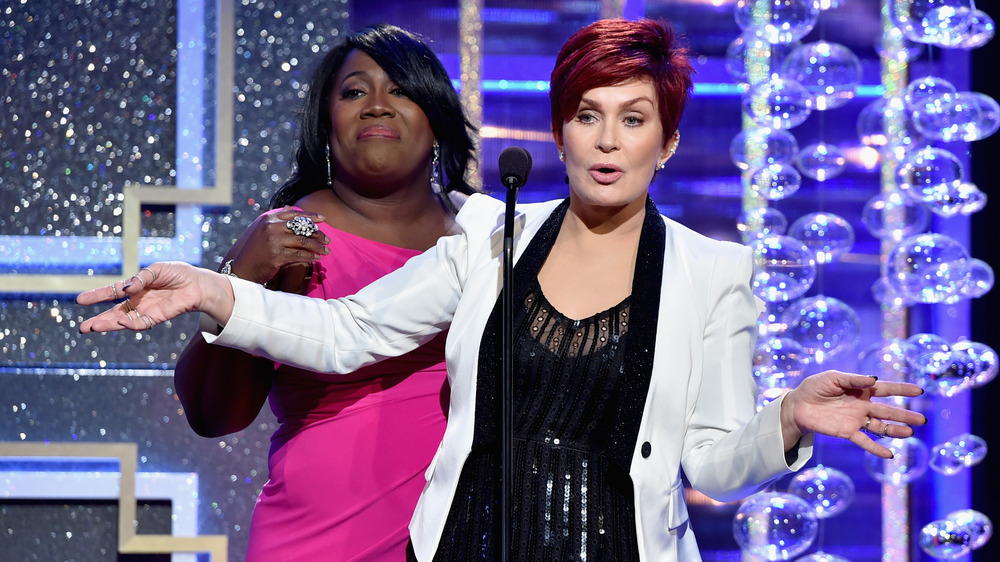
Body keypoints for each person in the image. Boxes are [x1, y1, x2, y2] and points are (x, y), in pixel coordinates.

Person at [78, 18, 926, 561]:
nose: (606, 140)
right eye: (587, 114)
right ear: (559, 129)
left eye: (633, 119)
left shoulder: (713, 273)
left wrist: (784, 419)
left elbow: (708, 462)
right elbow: (343, 333)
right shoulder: (490, 235)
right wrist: (210, 288)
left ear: (665, 142)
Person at [170, 23, 476, 561]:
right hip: (316, 542)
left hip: (455, 536)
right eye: (355, 91)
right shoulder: (291, 236)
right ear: (326, 124)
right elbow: (212, 415)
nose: (377, 106)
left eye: (401, 90)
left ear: (437, 122)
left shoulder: (486, 239)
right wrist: (240, 277)